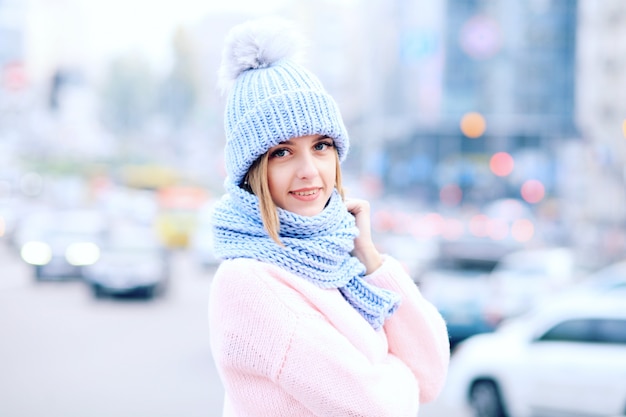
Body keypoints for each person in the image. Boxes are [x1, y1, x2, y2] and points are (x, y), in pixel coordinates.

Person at [208, 18, 450, 417]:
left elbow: (431, 374)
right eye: (281, 153)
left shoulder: (336, 261)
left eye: (321, 146)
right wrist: (394, 369)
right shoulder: (248, 281)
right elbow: (376, 409)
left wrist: (372, 260)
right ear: (252, 171)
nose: (309, 170)